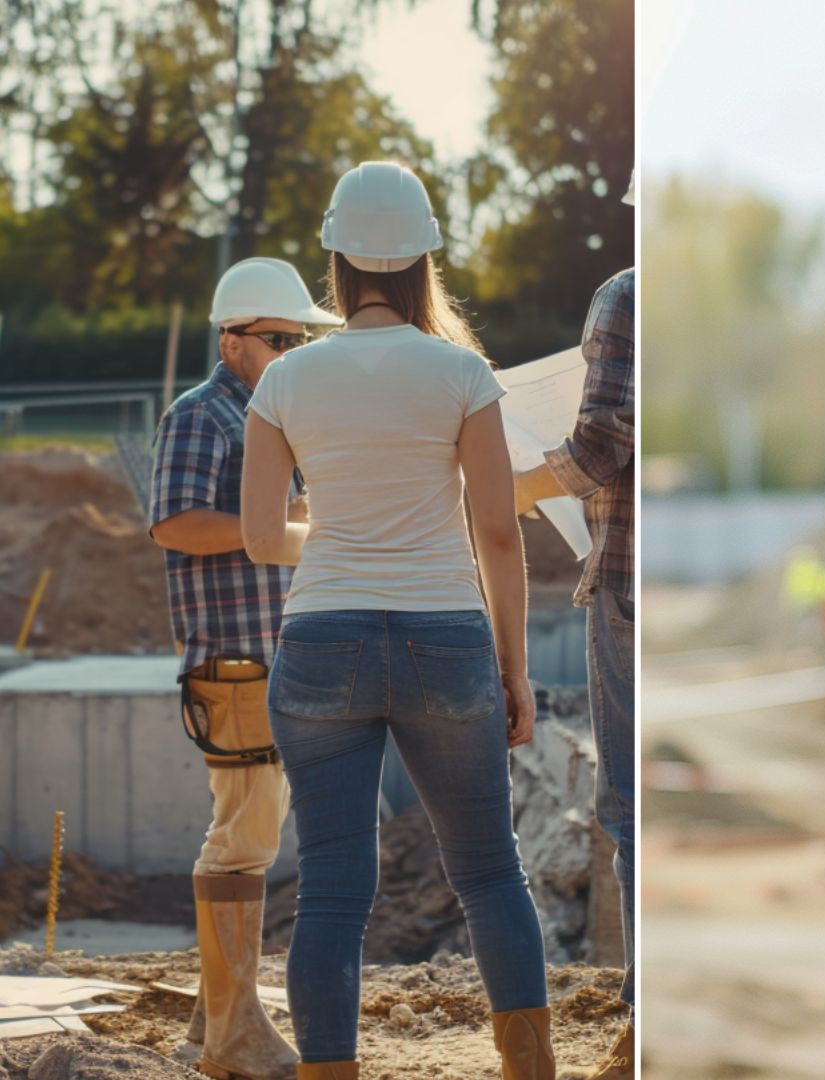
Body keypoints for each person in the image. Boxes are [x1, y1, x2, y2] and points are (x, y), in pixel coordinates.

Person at [239, 161, 551, 1080]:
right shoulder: (461, 373)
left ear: (335, 260)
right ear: (423, 262)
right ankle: (530, 1068)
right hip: (444, 640)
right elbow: (496, 531)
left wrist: (340, 539)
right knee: (490, 872)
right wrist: (514, 668)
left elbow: (261, 537)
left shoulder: (285, 381)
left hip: (320, 642)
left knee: (332, 888)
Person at [149, 256, 343, 1080]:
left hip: (268, 654)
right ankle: (233, 1037)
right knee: (242, 840)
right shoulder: (205, 417)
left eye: (299, 340)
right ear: (232, 341)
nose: (293, 353)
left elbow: (278, 529)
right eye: (278, 339)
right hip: (233, 662)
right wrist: (266, 522)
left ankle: (212, 1020)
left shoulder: (272, 418)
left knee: (245, 832)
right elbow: (174, 524)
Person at [513, 173, 635, 1080]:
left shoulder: (629, 296)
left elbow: (597, 449)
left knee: (629, 803)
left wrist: (506, 487)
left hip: (630, 584)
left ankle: (646, 997)